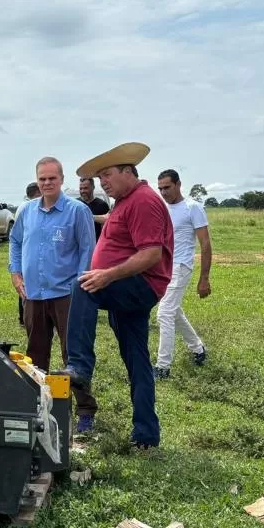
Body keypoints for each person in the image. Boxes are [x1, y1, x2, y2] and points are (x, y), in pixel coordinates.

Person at [64, 142, 172, 448]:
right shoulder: (124, 201)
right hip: (129, 288)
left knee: (83, 286)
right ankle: (146, 435)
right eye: (100, 178)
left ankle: (79, 366)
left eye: (107, 175)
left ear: (128, 171)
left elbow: (151, 254)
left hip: (139, 285)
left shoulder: (143, 200)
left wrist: (107, 275)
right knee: (137, 360)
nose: (103, 183)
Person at [9, 157, 94, 372]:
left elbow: (87, 250)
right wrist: (15, 273)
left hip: (66, 294)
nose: (47, 183)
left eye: (52, 178)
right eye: (42, 179)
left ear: (62, 179)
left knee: (73, 353)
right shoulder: (26, 211)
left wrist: (79, 287)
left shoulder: (78, 211)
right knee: (35, 355)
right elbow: (15, 241)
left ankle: (79, 394)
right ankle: (38, 392)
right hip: (33, 293)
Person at [153, 169, 211, 378]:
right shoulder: (162, 208)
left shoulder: (192, 207)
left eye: (167, 187)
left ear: (178, 184)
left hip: (181, 266)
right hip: (164, 266)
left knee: (164, 313)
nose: (163, 192)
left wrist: (204, 278)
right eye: (160, 188)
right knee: (174, 311)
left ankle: (163, 367)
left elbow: (205, 244)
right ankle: (198, 348)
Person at [17, 181, 41, 325]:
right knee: (26, 287)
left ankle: (23, 318)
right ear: (37, 193)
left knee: (24, 286)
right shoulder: (28, 208)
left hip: (25, 254)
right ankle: (25, 317)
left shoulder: (22, 206)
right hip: (27, 254)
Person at [78, 175, 110, 241]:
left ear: (93, 187)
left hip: (96, 244)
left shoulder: (102, 205)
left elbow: (106, 228)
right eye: (81, 189)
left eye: (85, 188)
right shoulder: (75, 204)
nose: (83, 191)